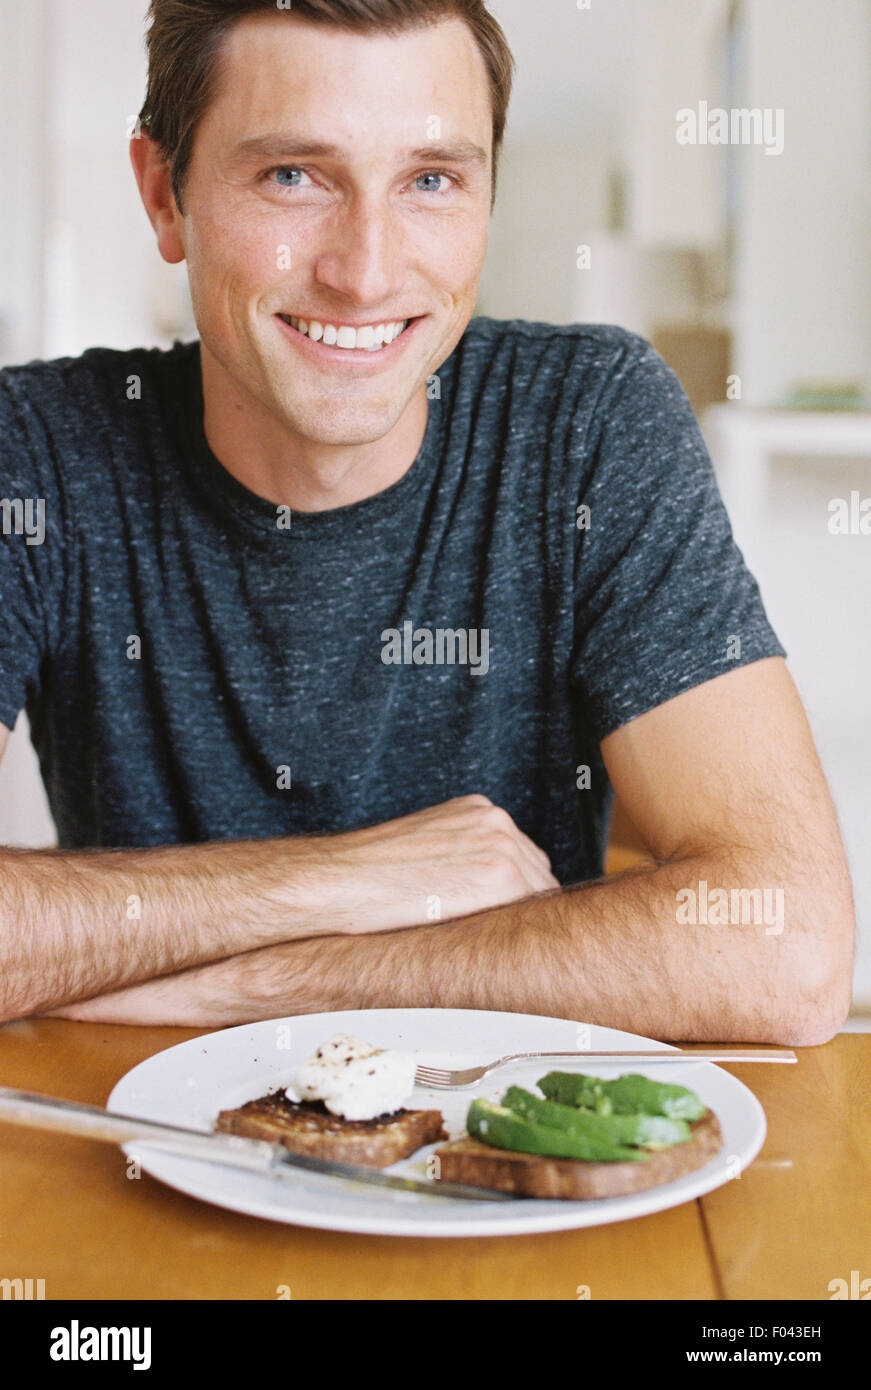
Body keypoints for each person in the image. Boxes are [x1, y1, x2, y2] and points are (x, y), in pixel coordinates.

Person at [0, 0, 854, 1040]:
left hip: (508, 1165)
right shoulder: (34, 447)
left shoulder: (587, 420)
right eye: (292, 176)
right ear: (163, 196)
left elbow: (787, 940)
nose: (365, 270)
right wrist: (336, 881)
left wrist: (253, 985)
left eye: (431, 181)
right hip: (135, 1150)